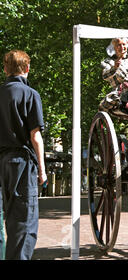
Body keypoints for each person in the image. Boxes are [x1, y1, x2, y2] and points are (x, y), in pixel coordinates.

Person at [0, 50, 47, 260]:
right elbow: (35, 136)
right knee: (23, 220)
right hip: (21, 162)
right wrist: (42, 170)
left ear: (5, 69)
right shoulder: (30, 94)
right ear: (27, 69)